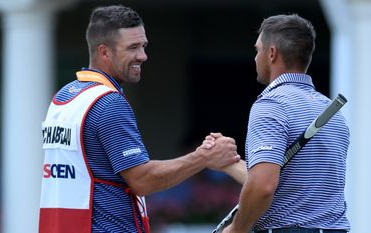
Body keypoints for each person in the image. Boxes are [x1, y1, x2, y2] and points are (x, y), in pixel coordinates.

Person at [39, 5, 239, 233]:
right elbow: (143, 180)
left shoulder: (65, 96)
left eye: (143, 46)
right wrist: (204, 157)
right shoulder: (108, 102)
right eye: (133, 47)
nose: (143, 56)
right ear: (104, 52)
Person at [218, 14, 350, 233]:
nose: (255, 58)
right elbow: (290, 180)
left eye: (257, 50)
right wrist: (229, 164)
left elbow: (263, 186)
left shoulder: (271, 104)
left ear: (272, 54)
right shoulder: (332, 112)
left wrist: (236, 229)